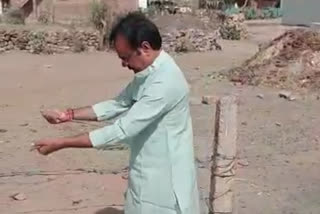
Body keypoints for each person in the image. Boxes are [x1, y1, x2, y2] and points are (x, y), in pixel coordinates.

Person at [34, 12, 200, 214]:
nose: (124, 64)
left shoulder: (165, 82)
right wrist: (67, 115)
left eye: (125, 57)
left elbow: (121, 131)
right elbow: (117, 104)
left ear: (144, 48)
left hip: (166, 179)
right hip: (146, 171)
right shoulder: (149, 73)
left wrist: (61, 143)